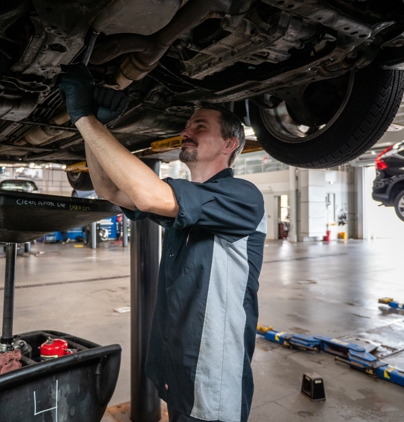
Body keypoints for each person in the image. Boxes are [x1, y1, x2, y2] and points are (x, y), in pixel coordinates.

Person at [59, 64, 267, 422]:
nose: (186, 131)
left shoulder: (242, 195)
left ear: (230, 143)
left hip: (212, 375)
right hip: (178, 364)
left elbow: (146, 195)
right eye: (188, 124)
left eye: (200, 126)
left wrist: (82, 117)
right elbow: (110, 189)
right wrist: (95, 125)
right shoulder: (185, 201)